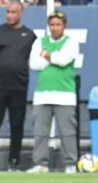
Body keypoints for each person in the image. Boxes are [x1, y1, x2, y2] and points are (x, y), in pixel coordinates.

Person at [0, 1, 37, 172]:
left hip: (20, 87)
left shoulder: (29, 35)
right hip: (0, 86)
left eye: (13, 12)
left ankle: (14, 161)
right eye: (7, 12)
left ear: (21, 14)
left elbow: (39, 55)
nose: (9, 15)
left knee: (17, 125)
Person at [28, 11, 80, 173]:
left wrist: (47, 55)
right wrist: (52, 58)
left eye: (58, 25)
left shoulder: (71, 42)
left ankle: (70, 163)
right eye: (52, 25)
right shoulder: (40, 41)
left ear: (64, 26)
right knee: (40, 132)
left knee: (67, 132)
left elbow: (63, 60)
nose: (54, 28)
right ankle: (40, 164)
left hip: (65, 94)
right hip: (43, 93)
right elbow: (34, 64)